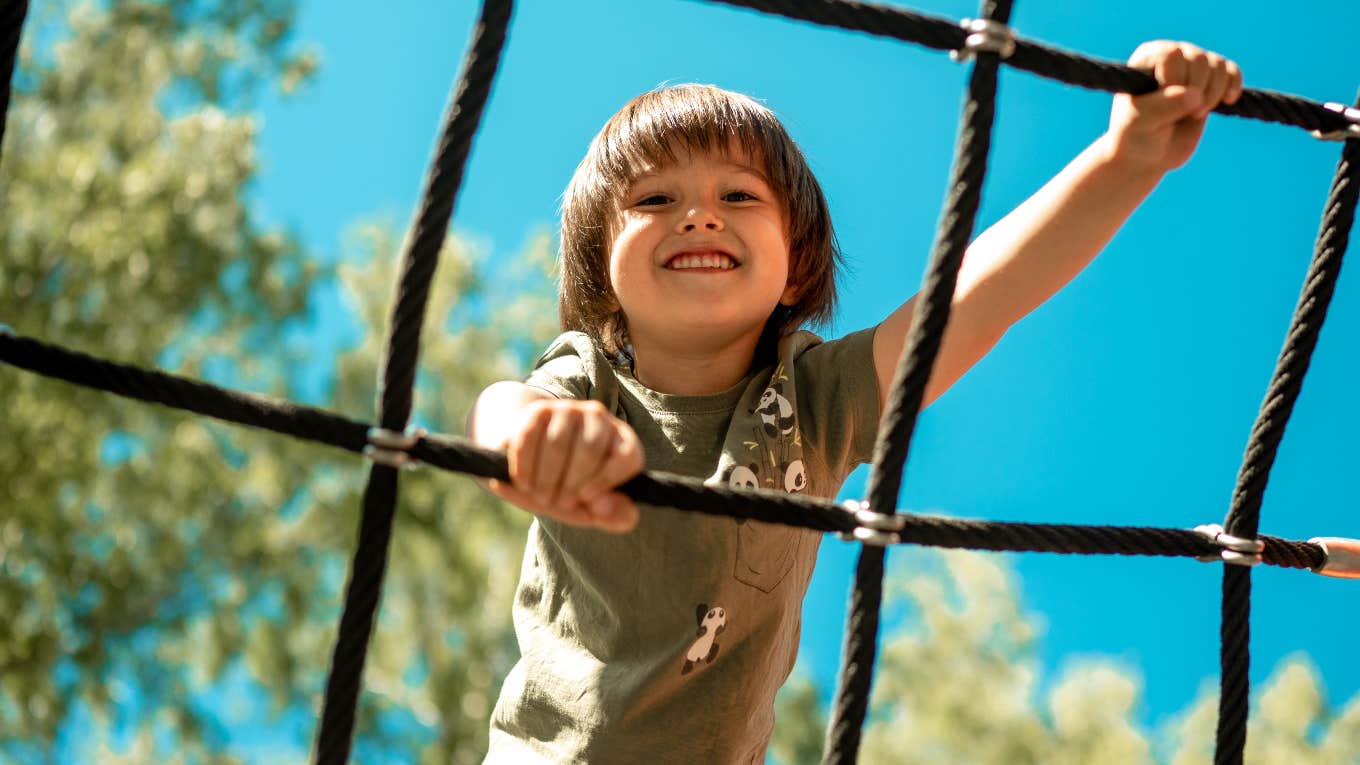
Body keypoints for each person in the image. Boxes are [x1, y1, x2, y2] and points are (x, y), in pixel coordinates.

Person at [468, 41, 1243, 763]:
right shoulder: (592, 381)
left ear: (798, 264)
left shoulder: (813, 401)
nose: (699, 214)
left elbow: (978, 299)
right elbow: (505, 407)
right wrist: (531, 439)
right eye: (655, 197)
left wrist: (1124, 159)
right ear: (603, 270)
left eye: (739, 195)